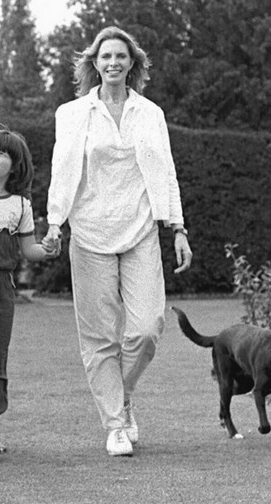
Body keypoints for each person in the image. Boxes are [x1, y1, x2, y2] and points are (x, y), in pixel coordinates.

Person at [42, 26, 192, 457]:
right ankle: (115, 424)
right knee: (99, 337)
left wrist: (179, 228)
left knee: (146, 329)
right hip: (89, 234)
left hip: (141, 232)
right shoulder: (72, 113)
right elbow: (62, 170)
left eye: (121, 56)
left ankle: (121, 396)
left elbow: (166, 172)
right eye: (106, 56)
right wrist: (54, 223)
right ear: (94, 63)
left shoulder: (150, 113)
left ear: (132, 64)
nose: (113, 63)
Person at [0, 127, 57, 459]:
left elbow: (29, 250)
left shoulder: (21, 204)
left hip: (2, 290)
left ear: (15, 165)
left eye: (2, 153)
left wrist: (49, 249)